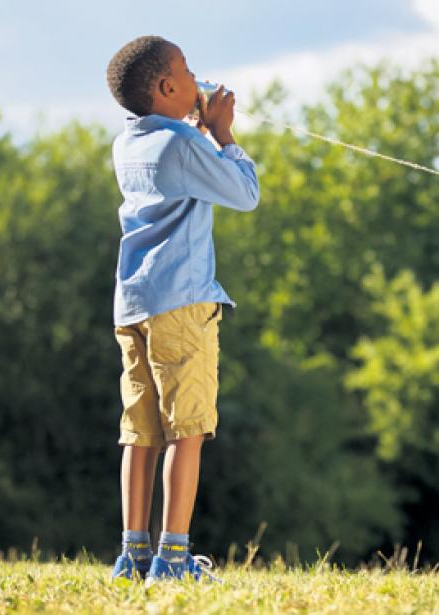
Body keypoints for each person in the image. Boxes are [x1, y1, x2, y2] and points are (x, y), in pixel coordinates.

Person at [105, 35, 260, 583]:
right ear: (168, 87)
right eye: (187, 72)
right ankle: (173, 557)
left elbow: (178, 168)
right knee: (185, 432)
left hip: (134, 305)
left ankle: (133, 554)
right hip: (182, 304)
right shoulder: (184, 144)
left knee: (140, 433)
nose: (198, 80)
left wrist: (196, 131)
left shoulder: (130, 143)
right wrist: (224, 135)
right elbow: (245, 193)